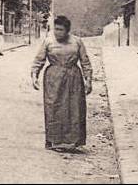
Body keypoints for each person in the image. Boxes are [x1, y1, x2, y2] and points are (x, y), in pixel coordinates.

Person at [30, 15, 93, 151]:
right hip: (53, 78)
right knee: (53, 106)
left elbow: (85, 61)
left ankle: (72, 141)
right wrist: (34, 75)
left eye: (61, 30)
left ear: (67, 30)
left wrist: (88, 79)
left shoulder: (77, 41)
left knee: (74, 107)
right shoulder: (48, 42)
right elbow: (39, 60)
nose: (57, 32)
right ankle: (54, 140)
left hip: (73, 77)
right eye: (56, 29)